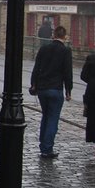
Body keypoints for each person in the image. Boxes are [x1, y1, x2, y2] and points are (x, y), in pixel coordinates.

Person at [29, 24, 73, 158]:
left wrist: (33, 84)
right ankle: (47, 148)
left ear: (53, 35)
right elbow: (67, 73)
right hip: (56, 89)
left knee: (45, 116)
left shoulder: (44, 49)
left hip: (42, 88)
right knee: (53, 118)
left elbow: (36, 68)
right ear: (64, 37)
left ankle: (43, 145)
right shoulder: (65, 51)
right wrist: (68, 91)